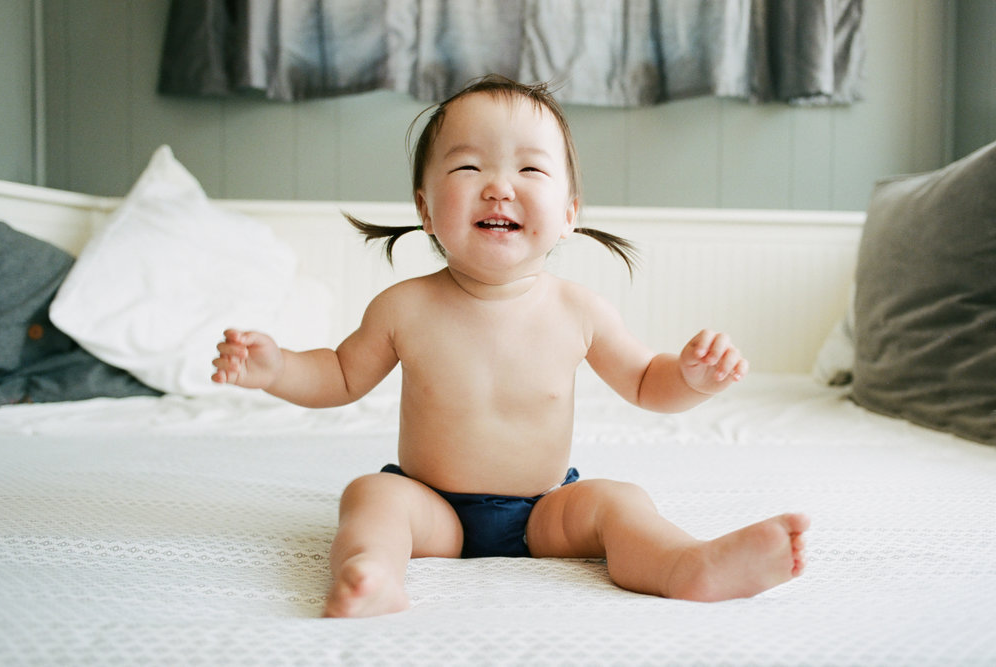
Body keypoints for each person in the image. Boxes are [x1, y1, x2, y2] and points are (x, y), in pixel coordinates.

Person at [212, 74, 809, 618]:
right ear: (424, 208)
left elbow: (647, 382)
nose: (499, 187)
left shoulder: (579, 310)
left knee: (620, 502)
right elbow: (340, 376)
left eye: (530, 170)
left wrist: (692, 378)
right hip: (432, 507)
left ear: (570, 212)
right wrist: (277, 368)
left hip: (544, 513)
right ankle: (370, 573)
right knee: (371, 496)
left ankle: (687, 565)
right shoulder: (404, 307)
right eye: (468, 168)